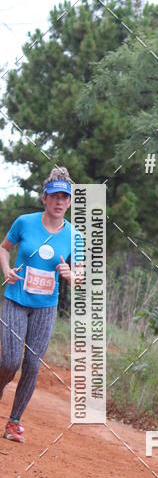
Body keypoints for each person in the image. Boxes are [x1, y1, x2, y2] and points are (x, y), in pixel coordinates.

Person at [0, 167, 81, 443]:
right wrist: (6, 269)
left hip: (45, 307)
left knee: (32, 365)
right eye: (54, 196)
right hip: (16, 300)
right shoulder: (24, 222)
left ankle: (13, 423)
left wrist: (72, 275)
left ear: (69, 202)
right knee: (10, 362)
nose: (59, 202)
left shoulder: (75, 236)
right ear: (44, 198)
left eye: (64, 198)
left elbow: (80, 275)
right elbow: (3, 248)